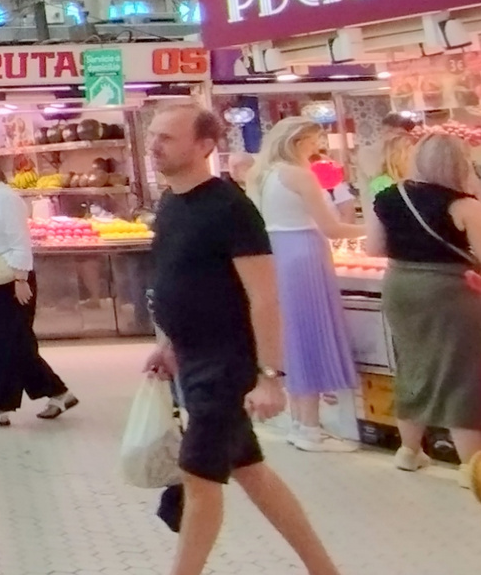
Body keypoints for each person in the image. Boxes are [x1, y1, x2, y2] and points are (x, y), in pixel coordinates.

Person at [142, 105, 344, 575]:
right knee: (250, 470)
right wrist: (168, 345)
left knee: (199, 477)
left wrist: (270, 376)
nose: (155, 144)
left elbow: (265, 296)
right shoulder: (171, 204)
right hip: (191, 359)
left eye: (168, 136)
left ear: (204, 146)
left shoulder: (231, 208)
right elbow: (178, 282)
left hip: (227, 363)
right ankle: (324, 569)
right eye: (153, 135)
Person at [369, 134, 481, 470]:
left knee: (413, 366)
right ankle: (473, 465)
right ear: (460, 164)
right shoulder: (464, 205)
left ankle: (409, 451)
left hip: (401, 288)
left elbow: (374, 249)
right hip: (452, 291)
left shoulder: (386, 197)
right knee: (463, 374)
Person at [248, 117, 366, 453]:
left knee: (294, 337)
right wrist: (374, 230)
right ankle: (311, 427)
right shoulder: (299, 176)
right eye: (315, 141)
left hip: (279, 254)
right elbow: (332, 227)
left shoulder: (264, 175)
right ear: (300, 141)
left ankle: (302, 423)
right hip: (306, 253)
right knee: (312, 334)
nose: (319, 148)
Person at [0, 145, 77, 427]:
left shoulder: (4, 198)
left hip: (12, 279)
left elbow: (19, 239)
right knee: (18, 344)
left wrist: (21, 278)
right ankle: (59, 393)